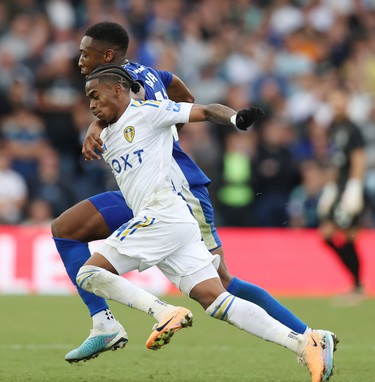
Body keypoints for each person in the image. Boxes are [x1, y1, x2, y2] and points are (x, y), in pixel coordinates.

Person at [51, 22, 335, 363]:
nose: (79, 59)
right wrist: (149, 126)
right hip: (139, 190)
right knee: (66, 230)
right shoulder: (146, 74)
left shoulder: (132, 87)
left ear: (109, 60)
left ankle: (307, 336)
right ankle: (103, 323)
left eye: (86, 53)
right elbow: (179, 90)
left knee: (221, 282)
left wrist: (123, 127)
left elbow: (153, 108)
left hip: (176, 187)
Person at [317, 88, 366, 305]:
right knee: (328, 235)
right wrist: (329, 187)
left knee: (347, 235)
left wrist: (354, 186)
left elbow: (358, 159)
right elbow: (334, 161)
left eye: (341, 101)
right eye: (334, 101)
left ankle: (357, 286)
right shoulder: (334, 129)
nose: (337, 105)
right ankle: (356, 284)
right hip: (338, 188)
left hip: (349, 187)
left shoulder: (353, 130)